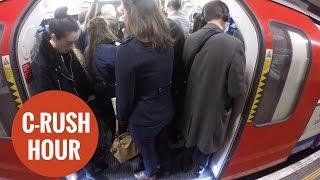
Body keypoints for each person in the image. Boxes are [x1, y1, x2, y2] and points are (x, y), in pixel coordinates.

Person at [181, 1, 247, 178]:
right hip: (212, 110)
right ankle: (197, 171)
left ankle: (185, 165)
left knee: (190, 135)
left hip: (189, 103)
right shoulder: (234, 44)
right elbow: (236, 89)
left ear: (205, 17)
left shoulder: (191, 38)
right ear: (226, 17)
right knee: (205, 141)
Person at [116, 0, 174, 179]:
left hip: (143, 117)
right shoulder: (167, 41)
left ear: (134, 16)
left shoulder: (128, 49)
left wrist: (122, 119)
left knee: (147, 152)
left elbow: (125, 95)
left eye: (124, 11)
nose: (123, 15)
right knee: (163, 145)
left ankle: (151, 175)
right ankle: (166, 169)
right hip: (166, 108)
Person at [31, 7, 93, 102]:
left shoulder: (66, 50)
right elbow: (48, 100)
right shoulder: (41, 64)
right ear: (54, 38)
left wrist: (90, 92)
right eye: (69, 43)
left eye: (74, 42)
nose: (72, 46)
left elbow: (80, 73)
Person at [87, 17, 118, 141]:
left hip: (99, 93)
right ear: (106, 29)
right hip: (114, 92)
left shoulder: (88, 50)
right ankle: (122, 147)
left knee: (109, 122)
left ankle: (113, 144)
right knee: (118, 122)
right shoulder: (114, 49)